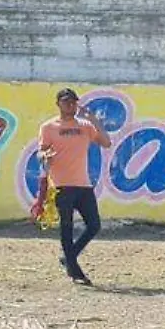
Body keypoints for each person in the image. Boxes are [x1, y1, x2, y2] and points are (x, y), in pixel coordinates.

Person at [38, 88, 111, 286]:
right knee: (66, 228)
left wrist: (94, 120)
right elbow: (41, 151)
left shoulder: (85, 126)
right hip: (61, 185)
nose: (70, 105)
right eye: (66, 102)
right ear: (58, 103)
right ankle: (74, 270)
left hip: (83, 184)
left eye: (73, 102)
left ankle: (69, 258)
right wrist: (46, 157)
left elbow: (106, 142)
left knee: (94, 225)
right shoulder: (49, 127)